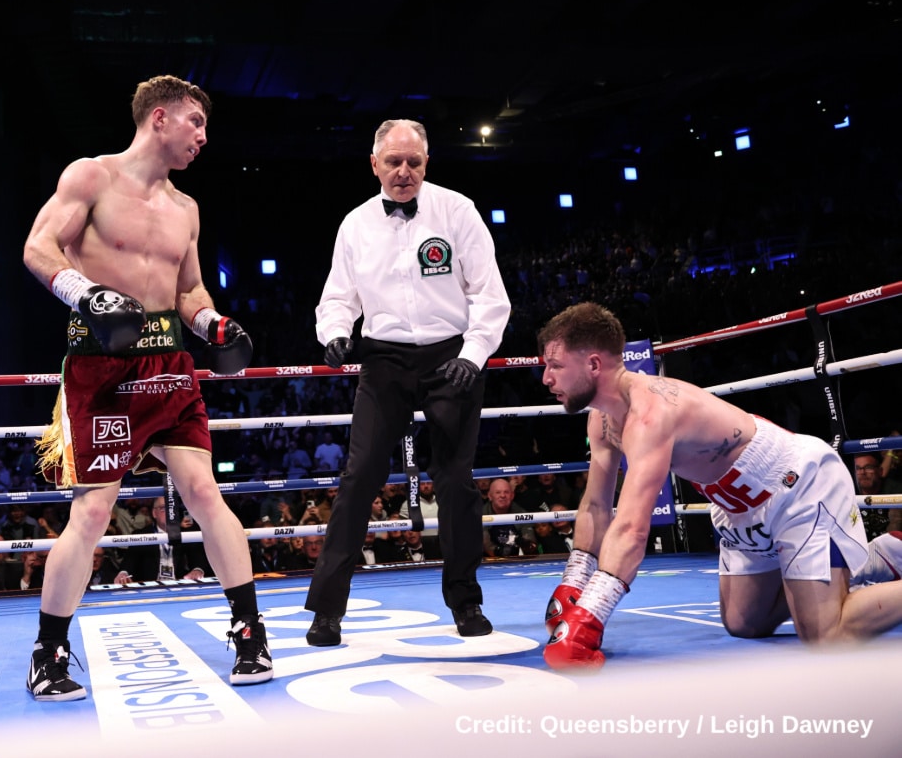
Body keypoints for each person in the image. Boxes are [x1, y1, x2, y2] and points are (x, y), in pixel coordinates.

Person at [21, 74, 272, 700]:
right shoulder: (92, 177)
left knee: (203, 492)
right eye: (196, 123)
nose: (203, 137)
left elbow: (188, 291)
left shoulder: (186, 207)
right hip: (101, 369)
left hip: (171, 368)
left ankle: (249, 633)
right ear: (159, 119)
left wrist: (216, 323)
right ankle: (48, 653)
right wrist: (86, 293)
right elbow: (37, 247)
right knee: (95, 510)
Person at [537, 302, 902, 670]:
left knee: (825, 634)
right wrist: (574, 585)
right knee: (743, 622)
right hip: (739, 506)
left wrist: (590, 615)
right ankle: (875, 558)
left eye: (555, 366)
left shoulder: (651, 413)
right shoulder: (602, 419)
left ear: (594, 364)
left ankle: (832, 579)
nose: (546, 379)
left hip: (796, 485)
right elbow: (596, 507)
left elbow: (631, 529)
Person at [305, 118, 510, 647]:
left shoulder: (457, 211)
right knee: (359, 478)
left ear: (426, 163)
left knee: (457, 482)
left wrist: (474, 353)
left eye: (413, 163)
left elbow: (490, 294)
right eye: (393, 162)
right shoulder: (355, 225)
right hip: (384, 360)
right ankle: (327, 611)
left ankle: (465, 602)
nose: (403, 172)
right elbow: (337, 298)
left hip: (452, 357)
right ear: (374, 164)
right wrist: (333, 333)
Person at [482, 478, 539, 557]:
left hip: (516, 559)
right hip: (488, 560)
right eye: (498, 492)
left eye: (506, 492)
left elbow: (531, 542)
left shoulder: (521, 513)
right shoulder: (481, 514)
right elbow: (485, 543)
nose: (502, 495)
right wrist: (499, 553)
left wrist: (526, 544)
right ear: (490, 496)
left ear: (512, 495)